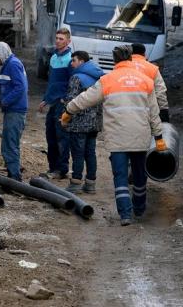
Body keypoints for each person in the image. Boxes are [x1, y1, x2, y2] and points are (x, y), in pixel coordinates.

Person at [61, 45, 167, 226]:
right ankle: (139, 209)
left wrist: (69, 110)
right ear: (131, 59)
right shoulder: (145, 81)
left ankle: (125, 214)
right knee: (140, 175)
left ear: (115, 60)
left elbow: (85, 98)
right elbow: (153, 112)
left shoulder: (107, 80)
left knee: (120, 176)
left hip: (117, 138)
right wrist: (158, 137)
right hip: (139, 137)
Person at [63, 51, 103, 194]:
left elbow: (72, 101)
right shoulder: (99, 77)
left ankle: (75, 183)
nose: (71, 64)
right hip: (95, 123)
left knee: (78, 153)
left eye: (73, 60)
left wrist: (65, 111)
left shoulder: (76, 78)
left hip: (79, 124)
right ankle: (90, 184)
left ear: (81, 61)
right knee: (90, 153)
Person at [0, 42, 28, 181]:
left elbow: (20, 87)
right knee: (8, 143)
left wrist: (6, 101)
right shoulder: (8, 65)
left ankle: (15, 178)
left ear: (3, 53)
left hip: (14, 110)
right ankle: (12, 175)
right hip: (11, 110)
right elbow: (8, 81)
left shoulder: (13, 65)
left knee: (10, 144)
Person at [38, 28, 73, 180]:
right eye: (57, 38)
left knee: (62, 136)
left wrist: (66, 98)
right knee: (50, 135)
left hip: (61, 103)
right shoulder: (53, 58)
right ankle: (52, 167)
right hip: (52, 102)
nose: (58, 41)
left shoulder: (70, 59)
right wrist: (45, 99)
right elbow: (51, 82)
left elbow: (73, 82)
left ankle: (62, 168)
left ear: (68, 41)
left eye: (61, 39)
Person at [131, 43, 170, 123]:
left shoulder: (120, 67)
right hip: (145, 109)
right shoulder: (152, 68)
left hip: (123, 107)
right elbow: (160, 90)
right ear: (144, 54)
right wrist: (164, 110)